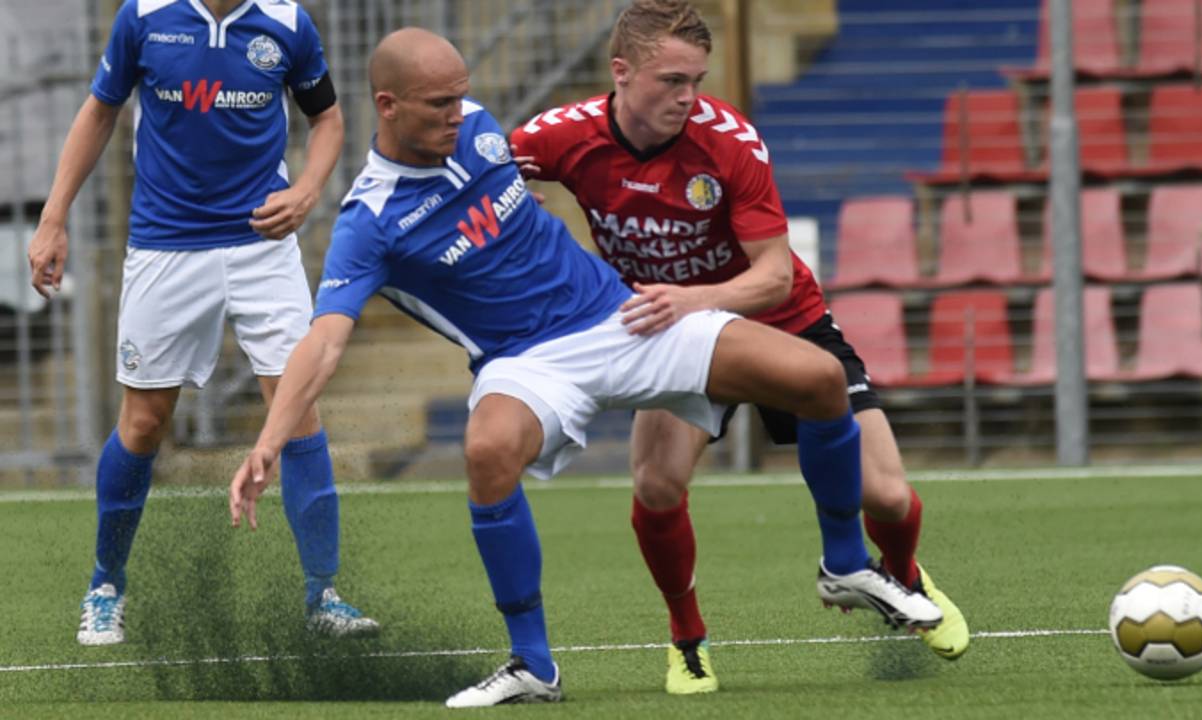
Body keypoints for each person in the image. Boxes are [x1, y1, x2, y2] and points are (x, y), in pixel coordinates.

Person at [227, 27, 942, 708]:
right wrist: (269, 441)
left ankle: (845, 563)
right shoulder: (368, 222)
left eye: (461, 96)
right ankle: (533, 664)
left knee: (818, 379)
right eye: (439, 103)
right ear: (388, 106)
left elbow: (511, 171)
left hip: (618, 317)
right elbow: (322, 342)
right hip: (525, 363)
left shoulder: (479, 129)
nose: (459, 112)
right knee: (488, 450)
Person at [508, 0, 970, 694]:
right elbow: (478, 174)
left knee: (889, 494)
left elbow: (774, 275)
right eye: (671, 81)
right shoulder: (561, 135)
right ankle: (687, 641)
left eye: (696, 79)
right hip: (672, 335)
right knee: (656, 484)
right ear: (621, 71)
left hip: (777, 317)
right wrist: (516, 213)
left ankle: (898, 574)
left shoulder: (729, 142)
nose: (687, 97)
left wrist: (689, 297)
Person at [28, 0, 378, 645]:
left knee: (298, 408)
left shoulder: (288, 22)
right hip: (166, 245)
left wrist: (306, 191)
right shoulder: (144, 16)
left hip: (261, 245)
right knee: (144, 421)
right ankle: (106, 583)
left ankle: (322, 595)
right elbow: (100, 108)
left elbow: (326, 118)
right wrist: (54, 217)